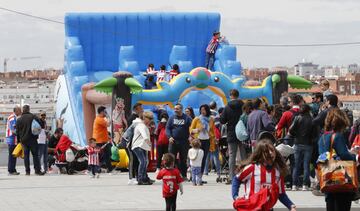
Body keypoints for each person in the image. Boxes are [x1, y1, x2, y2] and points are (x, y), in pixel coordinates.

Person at [232, 139, 297, 211]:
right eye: (266, 151)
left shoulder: (278, 172)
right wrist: (235, 196)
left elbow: (281, 194)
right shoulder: (252, 168)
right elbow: (236, 179)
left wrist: (291, 206)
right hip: (251, 208)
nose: (270, 153)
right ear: (260, 154)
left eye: (272, 150)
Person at [318, 108, 357, 211]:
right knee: (342, 205)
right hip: (340, 180)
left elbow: (323, 156)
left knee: (331, 206)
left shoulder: (322, 137)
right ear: (341, 121)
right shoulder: (337, 136)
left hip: (328, 179)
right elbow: (344, 155)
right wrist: (355, 156)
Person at [289, 104, 316, 191]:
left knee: (296, 165)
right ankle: (305, 185)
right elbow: (315, 133)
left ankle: (294, 185)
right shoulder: (312, 120)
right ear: (308, 110)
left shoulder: (297, 118)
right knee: (306, 165)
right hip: (308, 144)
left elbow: (291, 129)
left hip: (297, 143)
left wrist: (295, 136)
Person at [220, 89, 244, 184]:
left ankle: (231, 177)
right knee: (243, 155)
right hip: (242, 133)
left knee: (232, 156)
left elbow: (222, 120)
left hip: (231, 133)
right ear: (238, 95)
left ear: (230, 96)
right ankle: (244, 175)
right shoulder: (243, 105)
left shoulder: (227, 107)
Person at [16, 105, 44, 176]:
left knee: (26, 156)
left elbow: (17, 131)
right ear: (29, 109)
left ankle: (27, 171)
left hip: (24, 141)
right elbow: (41, 125)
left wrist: (19, 141)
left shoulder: (19, 119)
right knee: (35, 155)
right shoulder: (33, 117)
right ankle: (37, 171)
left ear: (23, 110)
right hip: (33, 139)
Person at [166, 103, 192, 178]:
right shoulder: (171, 118)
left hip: (184, 142)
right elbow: (167, 128)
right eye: (175, 109)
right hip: (173, 141)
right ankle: (171, 175)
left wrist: (191, 136)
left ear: (181, 109)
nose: (175, 110)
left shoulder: (187, 118)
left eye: (177, 109)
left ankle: (183, 175)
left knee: (183, 159)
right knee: (171, 158)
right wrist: (169, 137)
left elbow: (192, 126)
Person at [189, 104, 215, 180]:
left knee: (203, 159)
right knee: (196, 158)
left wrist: (213, 137)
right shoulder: (197, 119)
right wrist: (198, 130)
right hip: (198, 141)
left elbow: (213, 131)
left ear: (207, 110)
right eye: (201, 110)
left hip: (207, 140)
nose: (202, 111)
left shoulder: (211, 119)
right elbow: (191, 130)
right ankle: (194, 176)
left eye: (204, 110)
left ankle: (200, 177)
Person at [132, 111, 154, 185]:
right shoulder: (141, 125)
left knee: (145, 162)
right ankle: (140, 179)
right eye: (149, 118)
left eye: (151, 119)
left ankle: (144, 178)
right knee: (143, 161)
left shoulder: (144, 125)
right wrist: (149, 143)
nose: (150, 120)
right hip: (138, 146)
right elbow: (144, 136)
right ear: (144, 118)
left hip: (142, 146)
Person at [126, 103, 144, 185]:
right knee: (132, 160)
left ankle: (137, 176)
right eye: (141, 108)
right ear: (136, 109)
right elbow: (131, 132)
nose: (142, 109)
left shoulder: (138, 118)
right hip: (131, 143)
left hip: (137, 142)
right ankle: (131, 178)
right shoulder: (132, 118)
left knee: (137, 160)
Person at [92, 106, 112, 173]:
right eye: (104, 111)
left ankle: (108, 168)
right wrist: (109, 117)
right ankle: (107, 169)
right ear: (101, 112)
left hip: (102, 140)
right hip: (99, 140)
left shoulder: (101, 118)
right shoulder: (99, 119)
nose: (105, 113)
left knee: (106, 154)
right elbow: (108, 124)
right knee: (104, 155)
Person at [6, 105, 22, 175]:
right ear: (16, 111)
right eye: (19, 110)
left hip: (13, 139)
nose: (21, 112)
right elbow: (13, 130)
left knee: (14, 154)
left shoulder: (15, 117)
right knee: (12, 155)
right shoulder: (12, 118)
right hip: (12, 139)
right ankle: (11, 170)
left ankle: (13, 169)